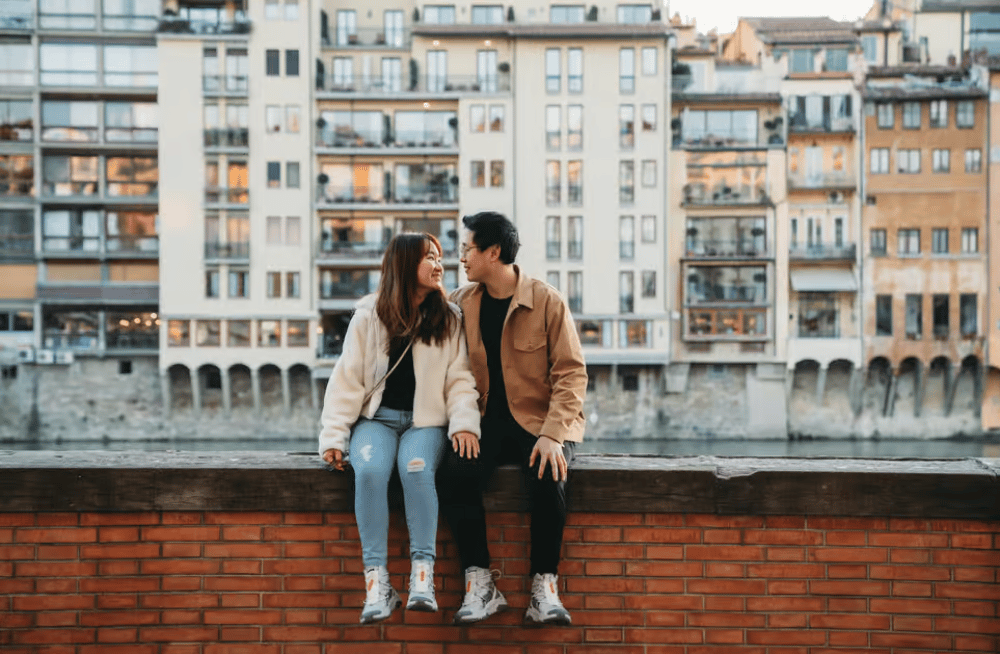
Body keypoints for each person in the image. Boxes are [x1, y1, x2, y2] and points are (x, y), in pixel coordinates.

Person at [318, 233, 481, 624]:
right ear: (406, 264)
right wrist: (334, 437)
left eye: (440, 257)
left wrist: (464, 424)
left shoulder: (449, 318)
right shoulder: (368, 316)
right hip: (377, 421)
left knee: (416, 469)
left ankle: (422, 577)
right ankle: (377, 584)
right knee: (369, 472)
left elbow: (460, 379)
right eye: (430, 258)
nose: (439, 265)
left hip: (425, 424)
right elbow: (347, 380)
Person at [439, 211, 588, 626]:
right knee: (455, 473)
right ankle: (481, 583)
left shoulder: (546, 300)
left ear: (493, 252)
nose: (461, 257)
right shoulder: (460, 303)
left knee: (549, 475)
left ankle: (545, 588)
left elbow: (572, 374)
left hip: (541, 422)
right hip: (485, 422)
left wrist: (553, 435)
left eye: (467, 248)